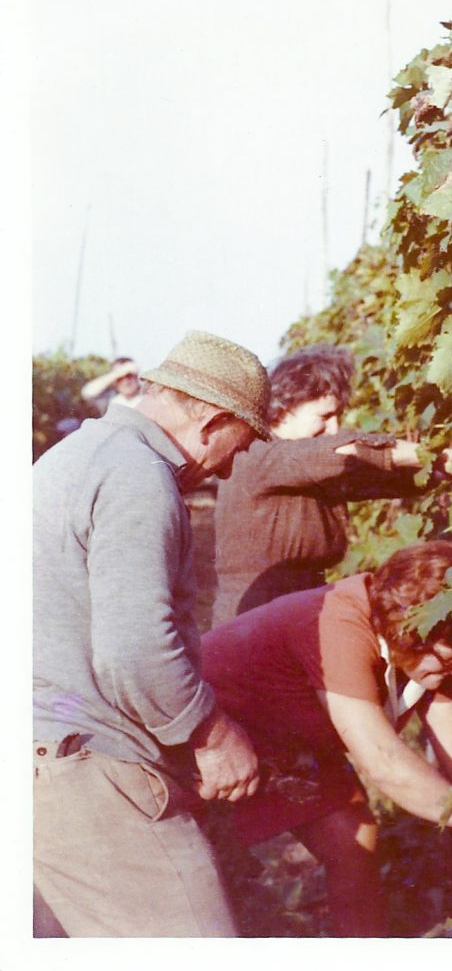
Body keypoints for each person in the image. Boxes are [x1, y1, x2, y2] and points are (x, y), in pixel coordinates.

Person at [33, 330, 271, 937]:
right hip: (87, 771)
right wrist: (212, 736)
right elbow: (135, 650)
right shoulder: (138, 475)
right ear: (213, 423)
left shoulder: (76, 455)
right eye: (240, 445)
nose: (234, 464)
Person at [201, 540, 452, 937]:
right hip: (210, 739)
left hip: (286, 744)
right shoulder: (340, 626)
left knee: (353, 834)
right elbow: (385, 764)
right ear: (409, 634)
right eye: (450, 660)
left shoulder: (426, 646)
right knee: (211, 877)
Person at [213, 343, 452, 620]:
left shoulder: (306, 464)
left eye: (338, 416)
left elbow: (372, 478)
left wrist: (439, 473)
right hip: (255, 613)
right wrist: (431, 455)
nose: (334, 428)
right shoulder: (259, 455)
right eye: (325, 416)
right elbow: (347, 451)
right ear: (285, 407)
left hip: (298, 604)